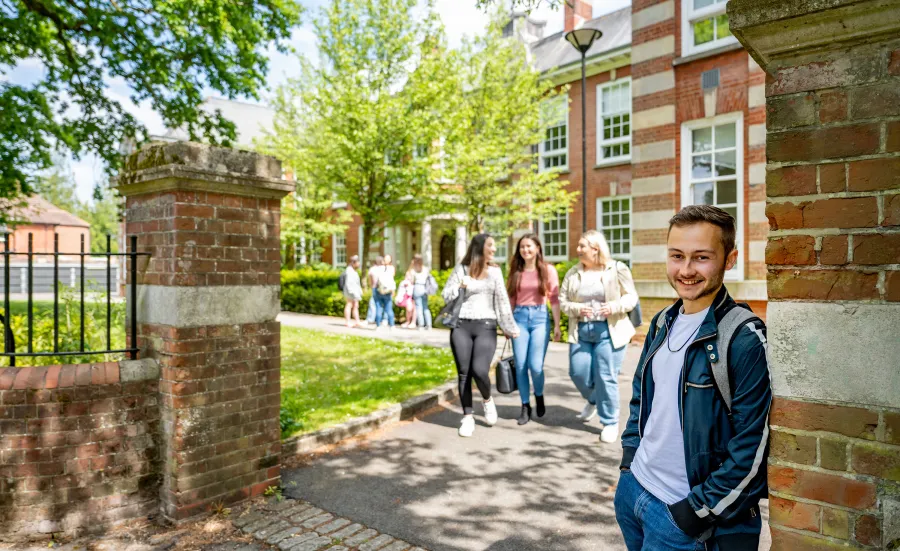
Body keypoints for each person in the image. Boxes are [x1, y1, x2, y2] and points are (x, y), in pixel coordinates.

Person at [615, 205, 772, 551]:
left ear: (730, 259)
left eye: (701, 257)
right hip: (635, 492)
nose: (686, 270)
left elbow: (753, 448)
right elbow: (642, 397)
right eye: (677, 256)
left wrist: (694, 512)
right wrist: (629, 462)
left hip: (688, 520)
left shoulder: (743, 339)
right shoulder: (661, 322)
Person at [559, 230, 637, 443]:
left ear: (596, 249)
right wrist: (577, 308)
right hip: (582, 330)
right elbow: (563, 301)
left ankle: (610, 421)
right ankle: (594, 399)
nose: (578, 249)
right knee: (577, 372)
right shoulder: (574, 272)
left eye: (582, 246)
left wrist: (614, 306)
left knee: (605, 376)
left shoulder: (617, 269)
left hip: (609, 331)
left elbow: (631, 297)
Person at [442, 234, 519, 437]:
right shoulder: (461, 269)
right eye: (490, 245)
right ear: (479, 247)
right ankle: (467, 416)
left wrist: (509, 326)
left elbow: (502, 299)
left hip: (486, 325)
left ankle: (487, 399)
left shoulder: (494, 271)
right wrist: (461, 286)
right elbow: (446, 294)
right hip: (461, 326)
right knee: (464, 372)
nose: (494, 249)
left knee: (479, 370)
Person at [506, 234, 561, 425]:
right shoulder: (516, 271)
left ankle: (538, 394)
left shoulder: (548, 270)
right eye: (522, 247)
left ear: (537, 247)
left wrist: (556, 325)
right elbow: (511, 299)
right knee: (521, 365)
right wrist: (508, 325)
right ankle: (525, 405)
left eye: (529, 246)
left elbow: (554, 299)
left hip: (539, 319)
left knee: (535, 366)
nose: (525, 250)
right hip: (519, 318)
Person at [407, 254, 433, 330]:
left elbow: (411, 280)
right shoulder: (425, 269)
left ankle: (421, 325)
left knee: (418, 307)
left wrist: (411, 266)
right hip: (425, 288)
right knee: (425, 307)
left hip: (417, 287)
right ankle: (429, 325)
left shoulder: (413, 270)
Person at [373, 253, 396, 328]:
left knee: (379, 308)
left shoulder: (379, 268)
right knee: (389, 308)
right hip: (388, 291)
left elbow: (375, 279)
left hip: (380, 290)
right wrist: (393, 290)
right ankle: (392, 325)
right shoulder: (391, 268)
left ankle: (378, 325)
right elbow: (392, 280)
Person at [342, 255, 363, 327]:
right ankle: (347, 322)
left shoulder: (353, 271)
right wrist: (352, 292)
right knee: (349, 304)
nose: (359, 264)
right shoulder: (349, 271)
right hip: (351, 292)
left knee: (355, 306)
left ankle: (357, 321)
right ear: (354, 263)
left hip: (354, 292)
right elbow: (349, 284)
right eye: (358, 262)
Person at [364, 256, 385, 326]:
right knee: (382, 304)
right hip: (384, 289)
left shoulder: (372, 269)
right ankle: (381, 319)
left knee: (373, 303)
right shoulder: (384, 269)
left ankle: (371, 318)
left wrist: (371, 286)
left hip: (375, 288)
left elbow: (370, 280)